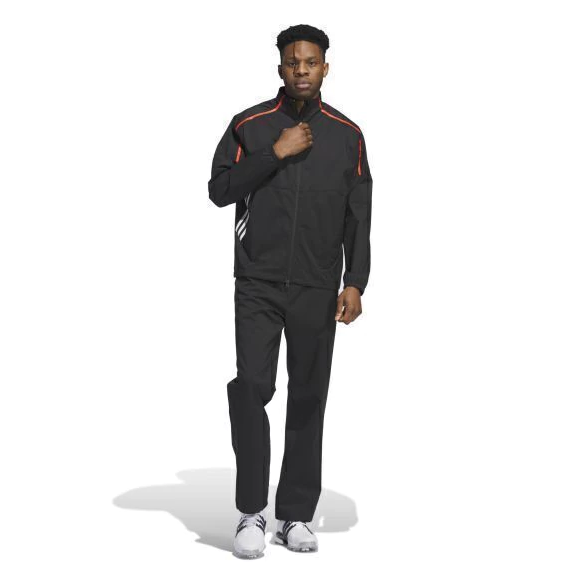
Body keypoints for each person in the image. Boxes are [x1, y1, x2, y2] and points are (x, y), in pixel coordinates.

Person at [208, 23, 372, 559]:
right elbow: (219, 190)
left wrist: (355, 280)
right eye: (293, 62)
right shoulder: (250, 125)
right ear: (280, 67)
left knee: (308, 396)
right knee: (251, 389)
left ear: (326, 67)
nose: (302, 70)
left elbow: (358, 214)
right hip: (257, 280)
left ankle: (295, 514)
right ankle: (251, 512)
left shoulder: (348, 135)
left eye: (311, 62)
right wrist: (274, 153)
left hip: (317, 285)